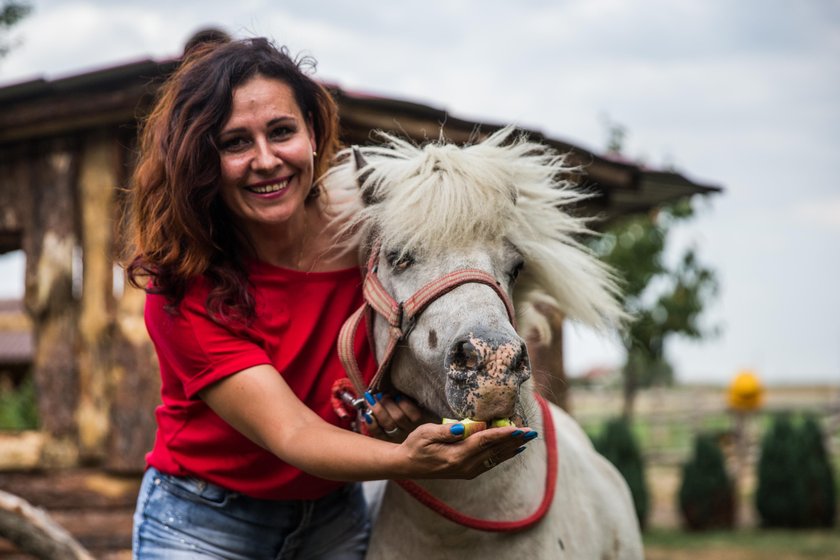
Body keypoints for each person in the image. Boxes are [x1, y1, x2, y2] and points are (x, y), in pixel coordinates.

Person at [123, 36, 536, 560]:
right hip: (205, 523)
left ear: (313, 134)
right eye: (235, 143)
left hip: (333, 519)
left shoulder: (370, 231)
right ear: (203, 161)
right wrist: (411, 458)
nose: (266, 160)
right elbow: (292, 431)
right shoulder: (182, 285)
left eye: (281, 131)